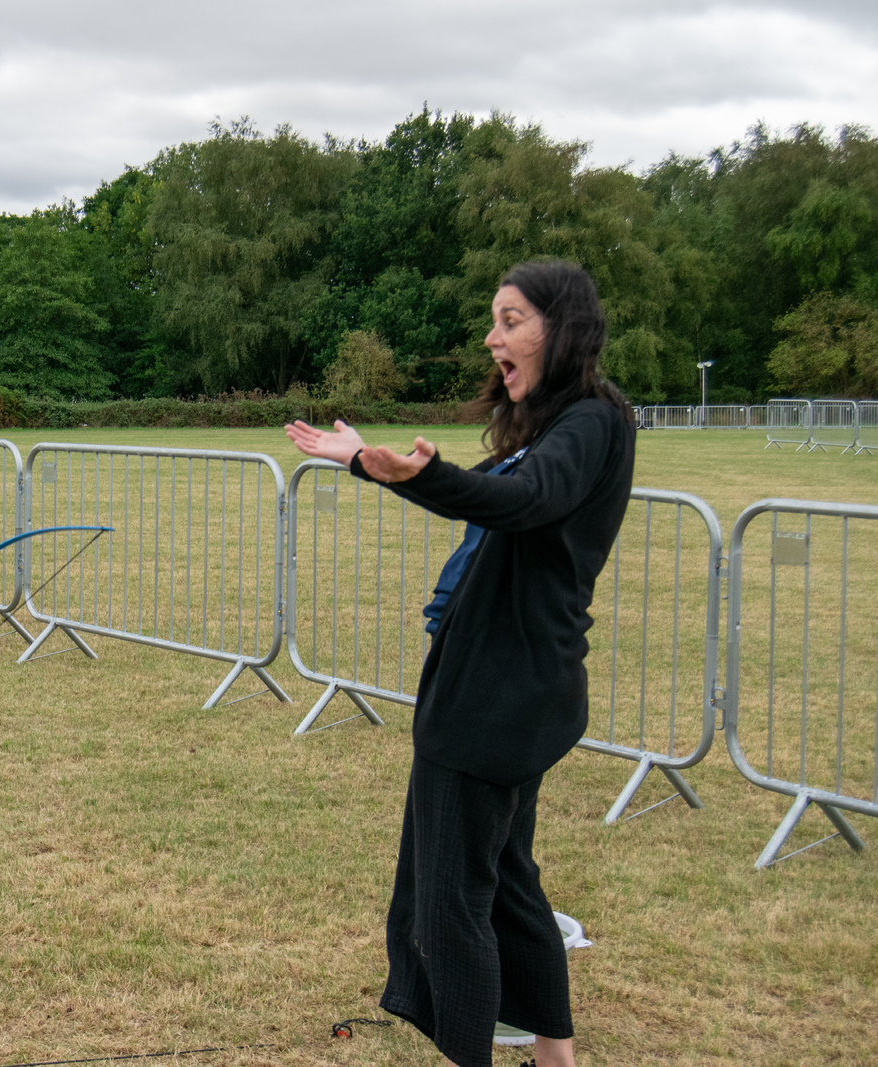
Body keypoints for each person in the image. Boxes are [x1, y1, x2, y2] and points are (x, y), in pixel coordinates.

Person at [285, 260, 636, 1067]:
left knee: (451, 908)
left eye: (511, 320)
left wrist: (417, 472)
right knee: (509, 884)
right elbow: (486, 492)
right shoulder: (566, 425)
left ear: (562, 327)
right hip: (516, 694)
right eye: (493, 320)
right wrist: (365, 462)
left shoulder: (588, 423)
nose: (491, 337)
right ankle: (556, 1060)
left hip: (495, 704)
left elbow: (520, 501)